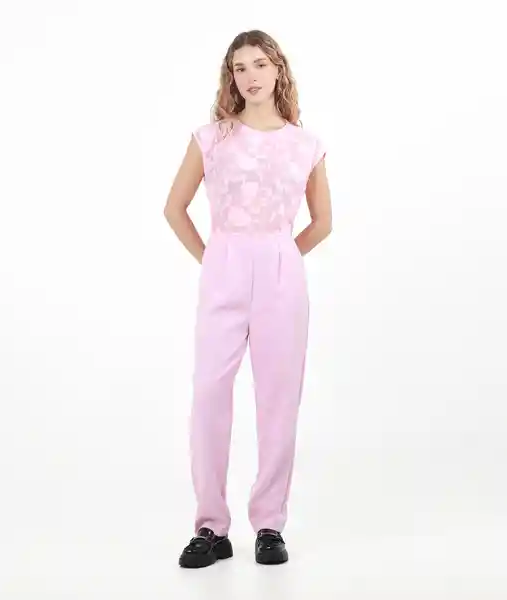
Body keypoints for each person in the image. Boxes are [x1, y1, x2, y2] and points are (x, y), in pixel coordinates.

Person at [163, 29, 332, 568]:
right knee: (209, 393)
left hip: (282, 274)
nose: (251, 75)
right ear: (230, 77)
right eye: (240, 67)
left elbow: (323, 222)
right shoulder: (212, 138)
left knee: (278, 399)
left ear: (278, 69)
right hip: (225, 269)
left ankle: (269, 524)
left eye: (260, 64)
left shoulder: (306, 144)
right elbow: (174, 208)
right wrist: (214, 259)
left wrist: (282, 257)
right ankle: (210, 526)